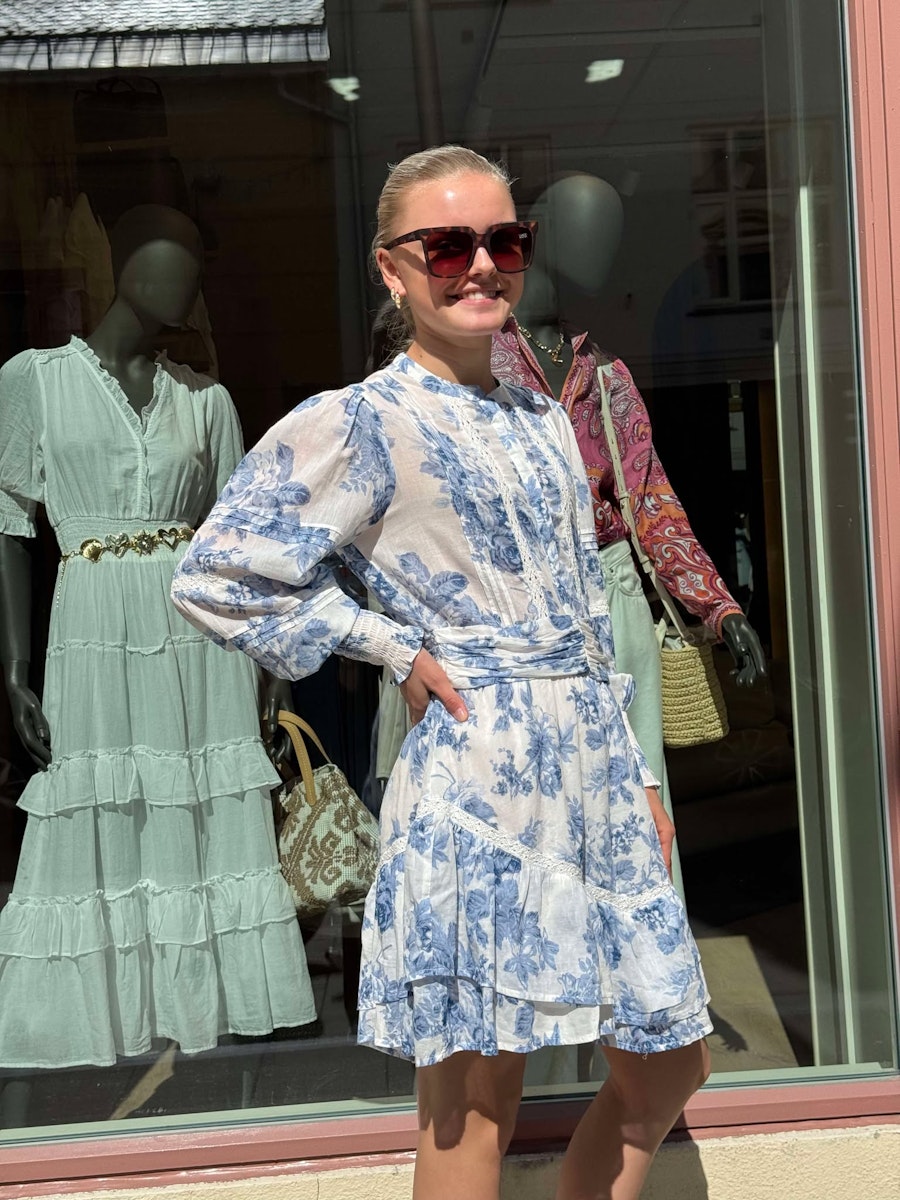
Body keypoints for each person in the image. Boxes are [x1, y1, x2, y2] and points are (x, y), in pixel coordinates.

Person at [171, 146, 711, 1200]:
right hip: (476, 781)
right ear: (392, 269)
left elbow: (584, 615)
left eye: (504, 240)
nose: (482, 266)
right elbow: (216, 574)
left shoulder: (543, 416)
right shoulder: (361, 421)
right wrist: (391, 646)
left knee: (668, 1056)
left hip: (593, 773)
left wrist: (638, 777)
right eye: (448, 246)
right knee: (476, 1108)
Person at [0, 204, 315, 1073]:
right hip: (92, 631)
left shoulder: (206, 401)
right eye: (166, 264)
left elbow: (243, 544)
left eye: (193, 271)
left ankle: (204, 1027)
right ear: (125, 269)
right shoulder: (34, 380)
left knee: (198, 814)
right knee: (102, 810)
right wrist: (15, 668)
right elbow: (9, 525)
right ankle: (95, 1033)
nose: (183, 285)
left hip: (197, 642)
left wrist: (272, 662)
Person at [492, 172, 767, 897]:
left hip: (617, 607)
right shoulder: (479, 365)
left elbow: (651, 502)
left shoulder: (605, 373)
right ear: (540, 231)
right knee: (539, 821)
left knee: (638, 810)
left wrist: (718, 607)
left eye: (612, 234)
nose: (604, 251)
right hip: (520, 617)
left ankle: (644, 961)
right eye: (591, 229)